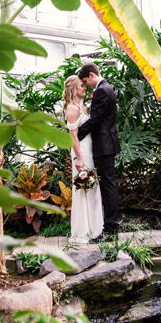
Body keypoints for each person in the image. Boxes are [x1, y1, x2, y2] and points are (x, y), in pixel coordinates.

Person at [75, 62, 120, 240]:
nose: (86, 85)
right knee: (108, 184)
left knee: (108, 186)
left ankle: (110, 229)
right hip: (105, 143)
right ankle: (109, 225)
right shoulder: (105, 88)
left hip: (104, 144)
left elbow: (95, 119)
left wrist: (76, 135)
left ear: (92, 75)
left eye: (86, 81)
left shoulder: (102, 90)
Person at [63, 75, 103, 244]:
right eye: (81, 85)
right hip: (81, 153)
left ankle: (94, 229)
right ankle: (82, 231)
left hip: (89, 150)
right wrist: (79, 157)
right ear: (73, 88)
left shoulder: (82, 106)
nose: (84, 88)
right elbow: (72, 136)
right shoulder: (72, 108)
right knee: (83, 190)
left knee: (92, 188)